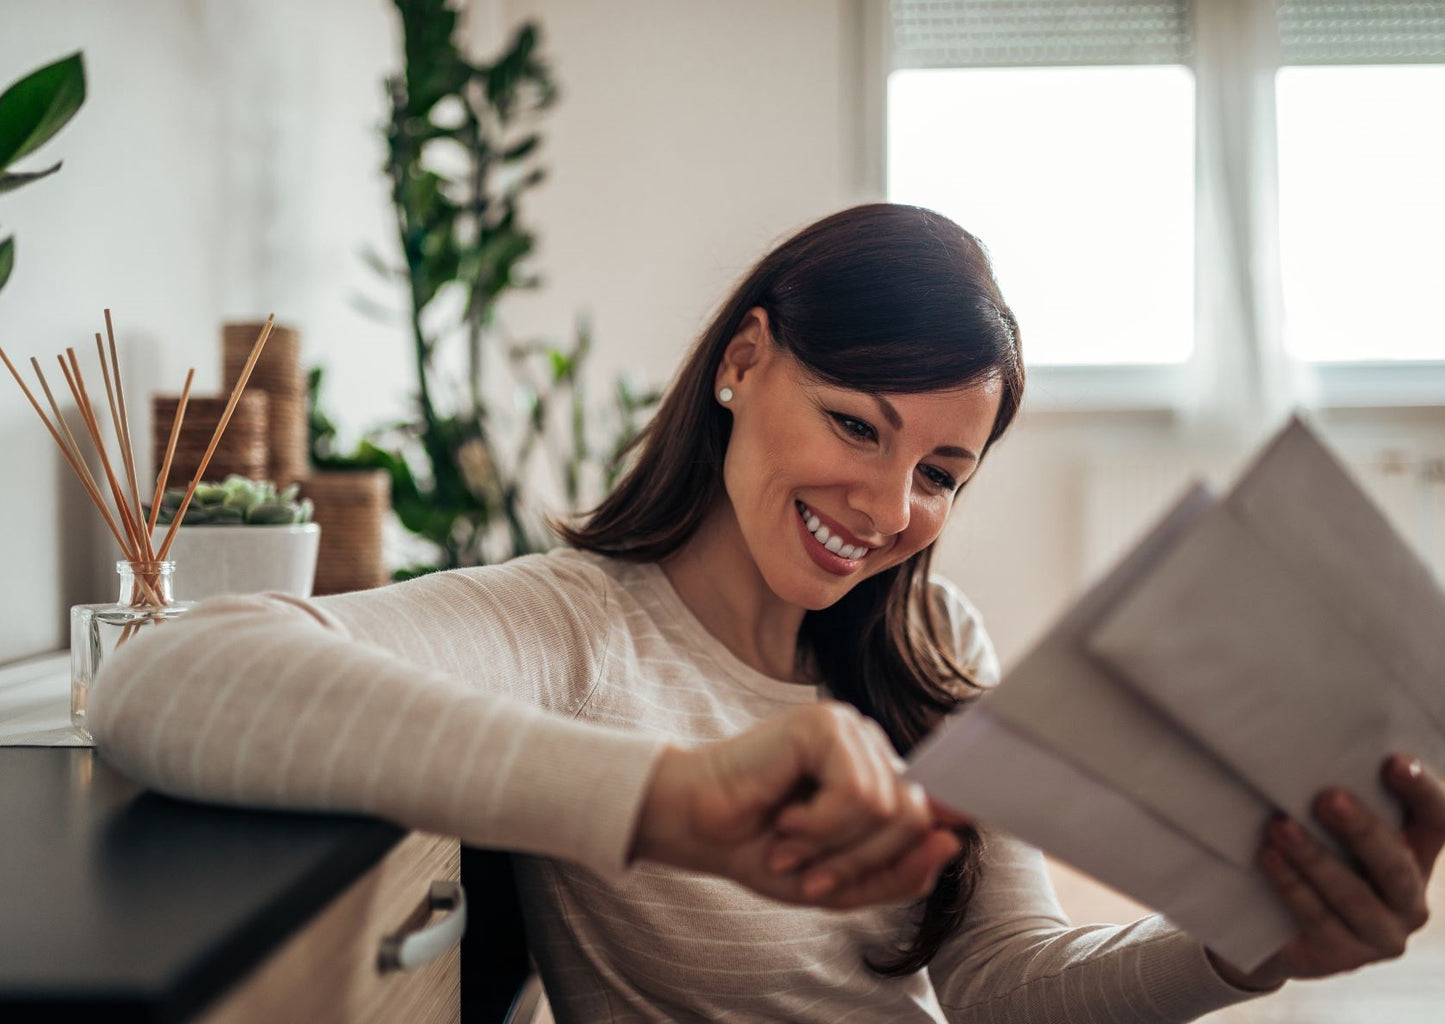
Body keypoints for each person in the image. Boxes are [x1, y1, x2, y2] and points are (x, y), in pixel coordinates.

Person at [90, 204, 1443, 1022]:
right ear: (743, 362)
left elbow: (999, 986)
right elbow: (161, 680)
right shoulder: (574, 629)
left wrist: (1236, 950)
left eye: (940, 473)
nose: (884, 503)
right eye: (853, 423)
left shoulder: (927, 641)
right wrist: (675, 799)